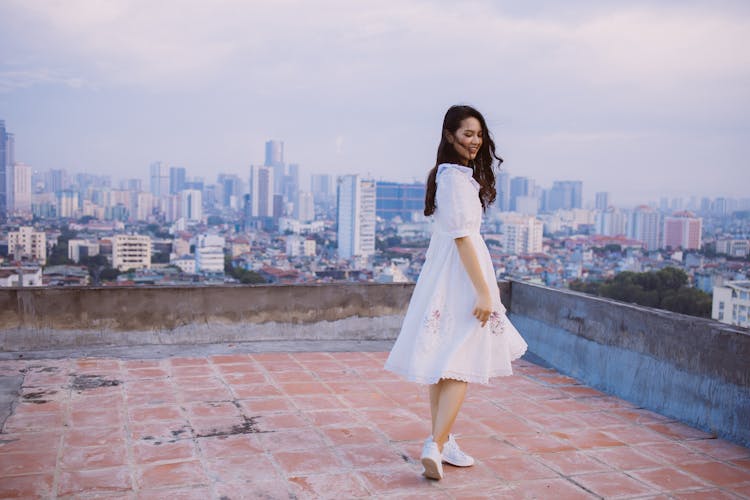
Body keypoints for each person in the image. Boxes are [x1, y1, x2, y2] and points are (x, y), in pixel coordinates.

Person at [384, 104, 528, 480]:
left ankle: (443, 441)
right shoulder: (454, 179)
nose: (476, 141)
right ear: (450, 135)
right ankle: (435, 442)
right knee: (463, 358)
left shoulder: (451, 175)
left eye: (479, 135)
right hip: (463, 274)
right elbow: (464, 237)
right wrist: (485, 293)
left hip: (447, 272)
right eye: (468, 134)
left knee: (442, 363)